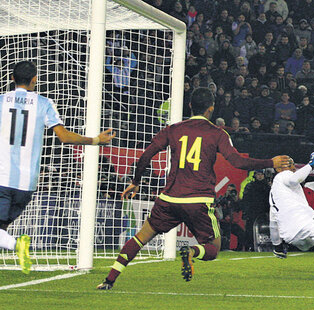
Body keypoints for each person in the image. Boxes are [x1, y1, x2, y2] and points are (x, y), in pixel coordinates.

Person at [97, 87, 289, 289]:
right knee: (213, 248)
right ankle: (191, 252)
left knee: (140, 238)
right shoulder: (218, 133)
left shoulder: (173, 129)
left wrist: (135, 182)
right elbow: (238, 162)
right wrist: (270, 162)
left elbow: (145, 156)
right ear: (211, 109)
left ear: (190, 106)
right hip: (198, 201)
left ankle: (109, 280)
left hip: (169, 199)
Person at [0, 61, 115, 274]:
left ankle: (18, 245)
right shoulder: (44, 103)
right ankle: (14, 244)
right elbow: (63, 136)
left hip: (1, 178)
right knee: (1, 228)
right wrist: (95, 140)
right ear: (35, 79)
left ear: (12, 79)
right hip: (27, 184)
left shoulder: (0, 102)